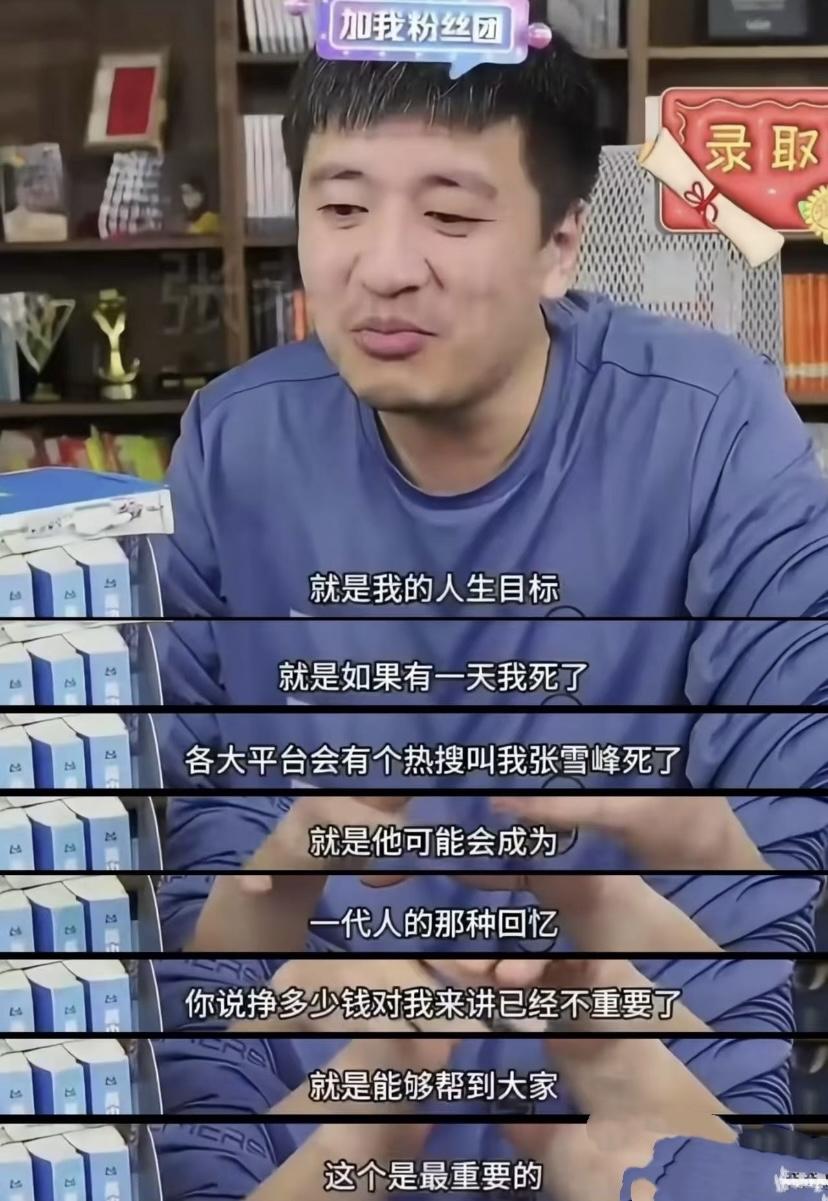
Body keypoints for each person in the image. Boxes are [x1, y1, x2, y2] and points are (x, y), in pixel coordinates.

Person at [148, 26, 828, 1201]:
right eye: (341, 208)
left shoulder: (714, 423)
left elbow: (774, 849)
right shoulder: (233, 440)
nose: (383, 267)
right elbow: (207, 867)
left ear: (561, 243)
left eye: (450, 216)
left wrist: (664, 1134)